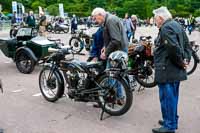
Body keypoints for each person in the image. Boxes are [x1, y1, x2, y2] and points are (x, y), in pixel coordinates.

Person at [152, 6, 189, 133]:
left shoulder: (166, 27)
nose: (155, 22)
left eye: (155, 19)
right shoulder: (176, 24)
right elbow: (186, 44)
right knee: (172, 97)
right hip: (173, 69)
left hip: (167, 69)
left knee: (167, 98)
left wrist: (181, 63)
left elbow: (173, 48)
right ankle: (171, 120)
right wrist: (186, 60)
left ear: (161, 18)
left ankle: (169, 126)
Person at [92, 7, 129, 104]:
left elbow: (116, 40)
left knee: (110, 75)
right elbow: (111, 37)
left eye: (95, 18)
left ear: (100, 15)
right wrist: (105, 46)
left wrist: (106, 52)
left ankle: (109, 100)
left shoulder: (110, 20)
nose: (95, 21)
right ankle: (119, 98)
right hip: (118, 50)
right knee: (117, 75)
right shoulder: (108, 19)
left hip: (117, 51)